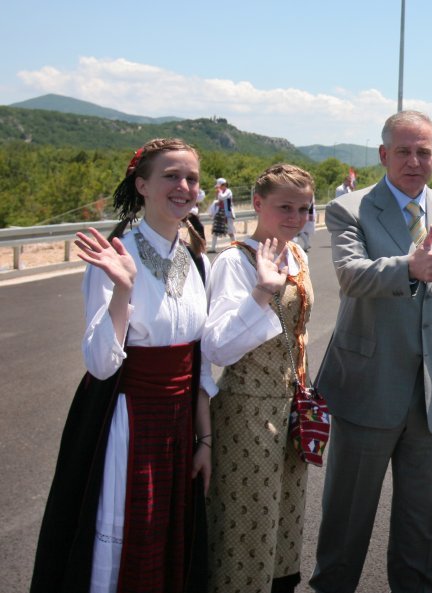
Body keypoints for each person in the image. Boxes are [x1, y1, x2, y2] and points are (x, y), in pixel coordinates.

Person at [310, 111, 432, 593]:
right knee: (346, 526)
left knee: (423, 529)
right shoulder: (350, 208)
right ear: (384, 154)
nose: (414, 161)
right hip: (367, 391)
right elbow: (351, 275)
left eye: (424, 152)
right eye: (404, 151)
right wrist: (408, 267)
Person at [31, 138, 215, 593]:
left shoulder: (195, 260)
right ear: (142, 185)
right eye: (171, 176)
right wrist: (123, 291)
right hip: (125, 420)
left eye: (191, 178)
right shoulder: (114, 257)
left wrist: (205, 439)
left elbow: (200, 364)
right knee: (124, 533)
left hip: (176, 423)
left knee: (168, 537)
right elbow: (99, 364)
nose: (184, 186)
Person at [202, 164, 316, 593]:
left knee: (284, 525)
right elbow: (217, 349)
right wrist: (262, 292)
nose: (295, 217)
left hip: (290, 409)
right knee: (245, 528)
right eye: (284, 207)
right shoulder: (235, 261)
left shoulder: (298, 254)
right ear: (256, 204)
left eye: (303, 208)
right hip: (247, 410)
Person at [210, 177, 237, 252]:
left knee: (230, 231)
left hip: (227, 214)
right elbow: (218, 200)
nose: (219, 188)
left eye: (220, 186)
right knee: (216, 229)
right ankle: (213, 248)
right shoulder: (221, 192)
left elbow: (222, 197)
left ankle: (234, 246)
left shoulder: (228, 191)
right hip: (220, 213)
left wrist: (219, 192)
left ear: (223, 185)